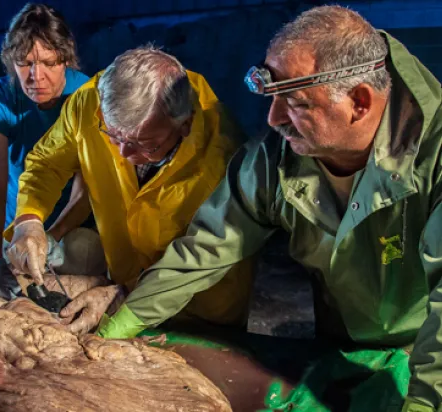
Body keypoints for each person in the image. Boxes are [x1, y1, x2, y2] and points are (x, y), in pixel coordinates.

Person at [91, 6, 442, 412]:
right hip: (341, 340)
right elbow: (210, 245)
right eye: (273, 99)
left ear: (358, 102)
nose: (274, 119)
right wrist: (125, 320)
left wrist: (424, 402)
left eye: (294, 103)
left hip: (427, 349)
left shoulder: (434, 158)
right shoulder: (275, 159)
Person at [5, 45, 252, 335]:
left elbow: (205, 257)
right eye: (112, 135)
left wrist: (129, 292)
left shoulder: (224, 156)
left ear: (183, 125)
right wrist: (29, 220)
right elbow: (48, 163)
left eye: (143, 143)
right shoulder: (89, 102)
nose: (122, 152)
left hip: (199, 305)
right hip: (120, 279)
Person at [0, 4, 98, 300]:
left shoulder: (86, 96)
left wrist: (50, 238)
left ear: (65, 59)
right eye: (25, 63)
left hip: (69, 222)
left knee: (84, 255)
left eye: (48, 63)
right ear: (11, 62)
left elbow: (86, 189)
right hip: (17, 228)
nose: (35, 76)